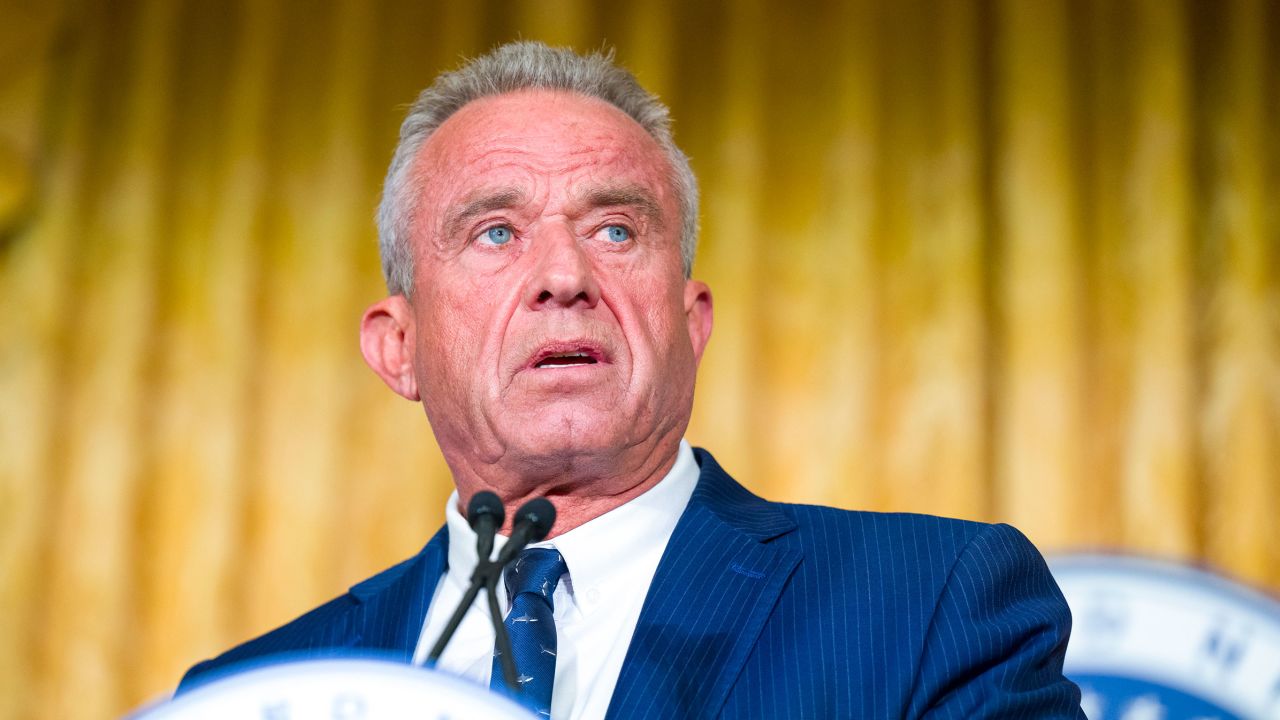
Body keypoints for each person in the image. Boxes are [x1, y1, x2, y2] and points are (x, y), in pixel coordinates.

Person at [178, 41, 1085, 718]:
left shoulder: (931, 605)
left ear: (691, 325)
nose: (564, 275)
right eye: (496, 232)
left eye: (616, 229)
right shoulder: (254, 697)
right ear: (397, 347)